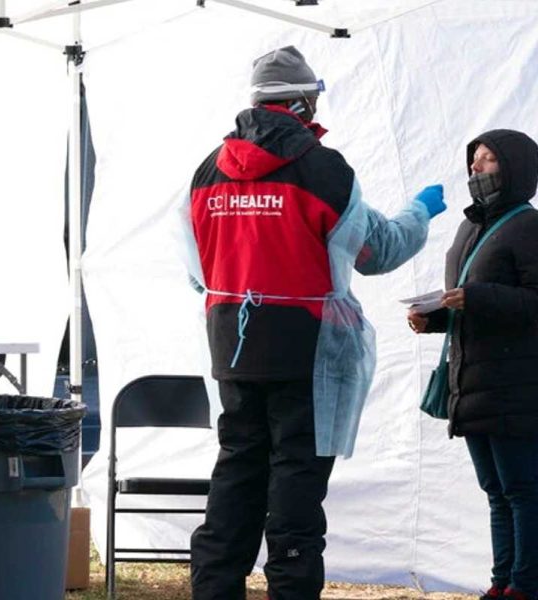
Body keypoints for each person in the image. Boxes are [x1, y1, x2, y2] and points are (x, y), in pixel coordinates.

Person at [177, 46, 446, 600]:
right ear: (303, 101)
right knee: (296, 480)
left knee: (236, 471)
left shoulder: (207, 170)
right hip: (307, 350)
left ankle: (215, 590)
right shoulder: (324, 170)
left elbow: (196, 269)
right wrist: (418, 211)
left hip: (231, 343)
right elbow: (378, 251)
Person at [408, 130, 538, 600]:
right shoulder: (471, 228)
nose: (476, 169)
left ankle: (526, 585)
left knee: (522, 490)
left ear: (515, 168)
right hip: (473, 380)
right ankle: (502, 582)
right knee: (496, 491)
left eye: (487, 161)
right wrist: (435, 318)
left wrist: (478, 298)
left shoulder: (529, 227)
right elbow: (471, 305)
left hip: (516, 383)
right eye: (474, 160)